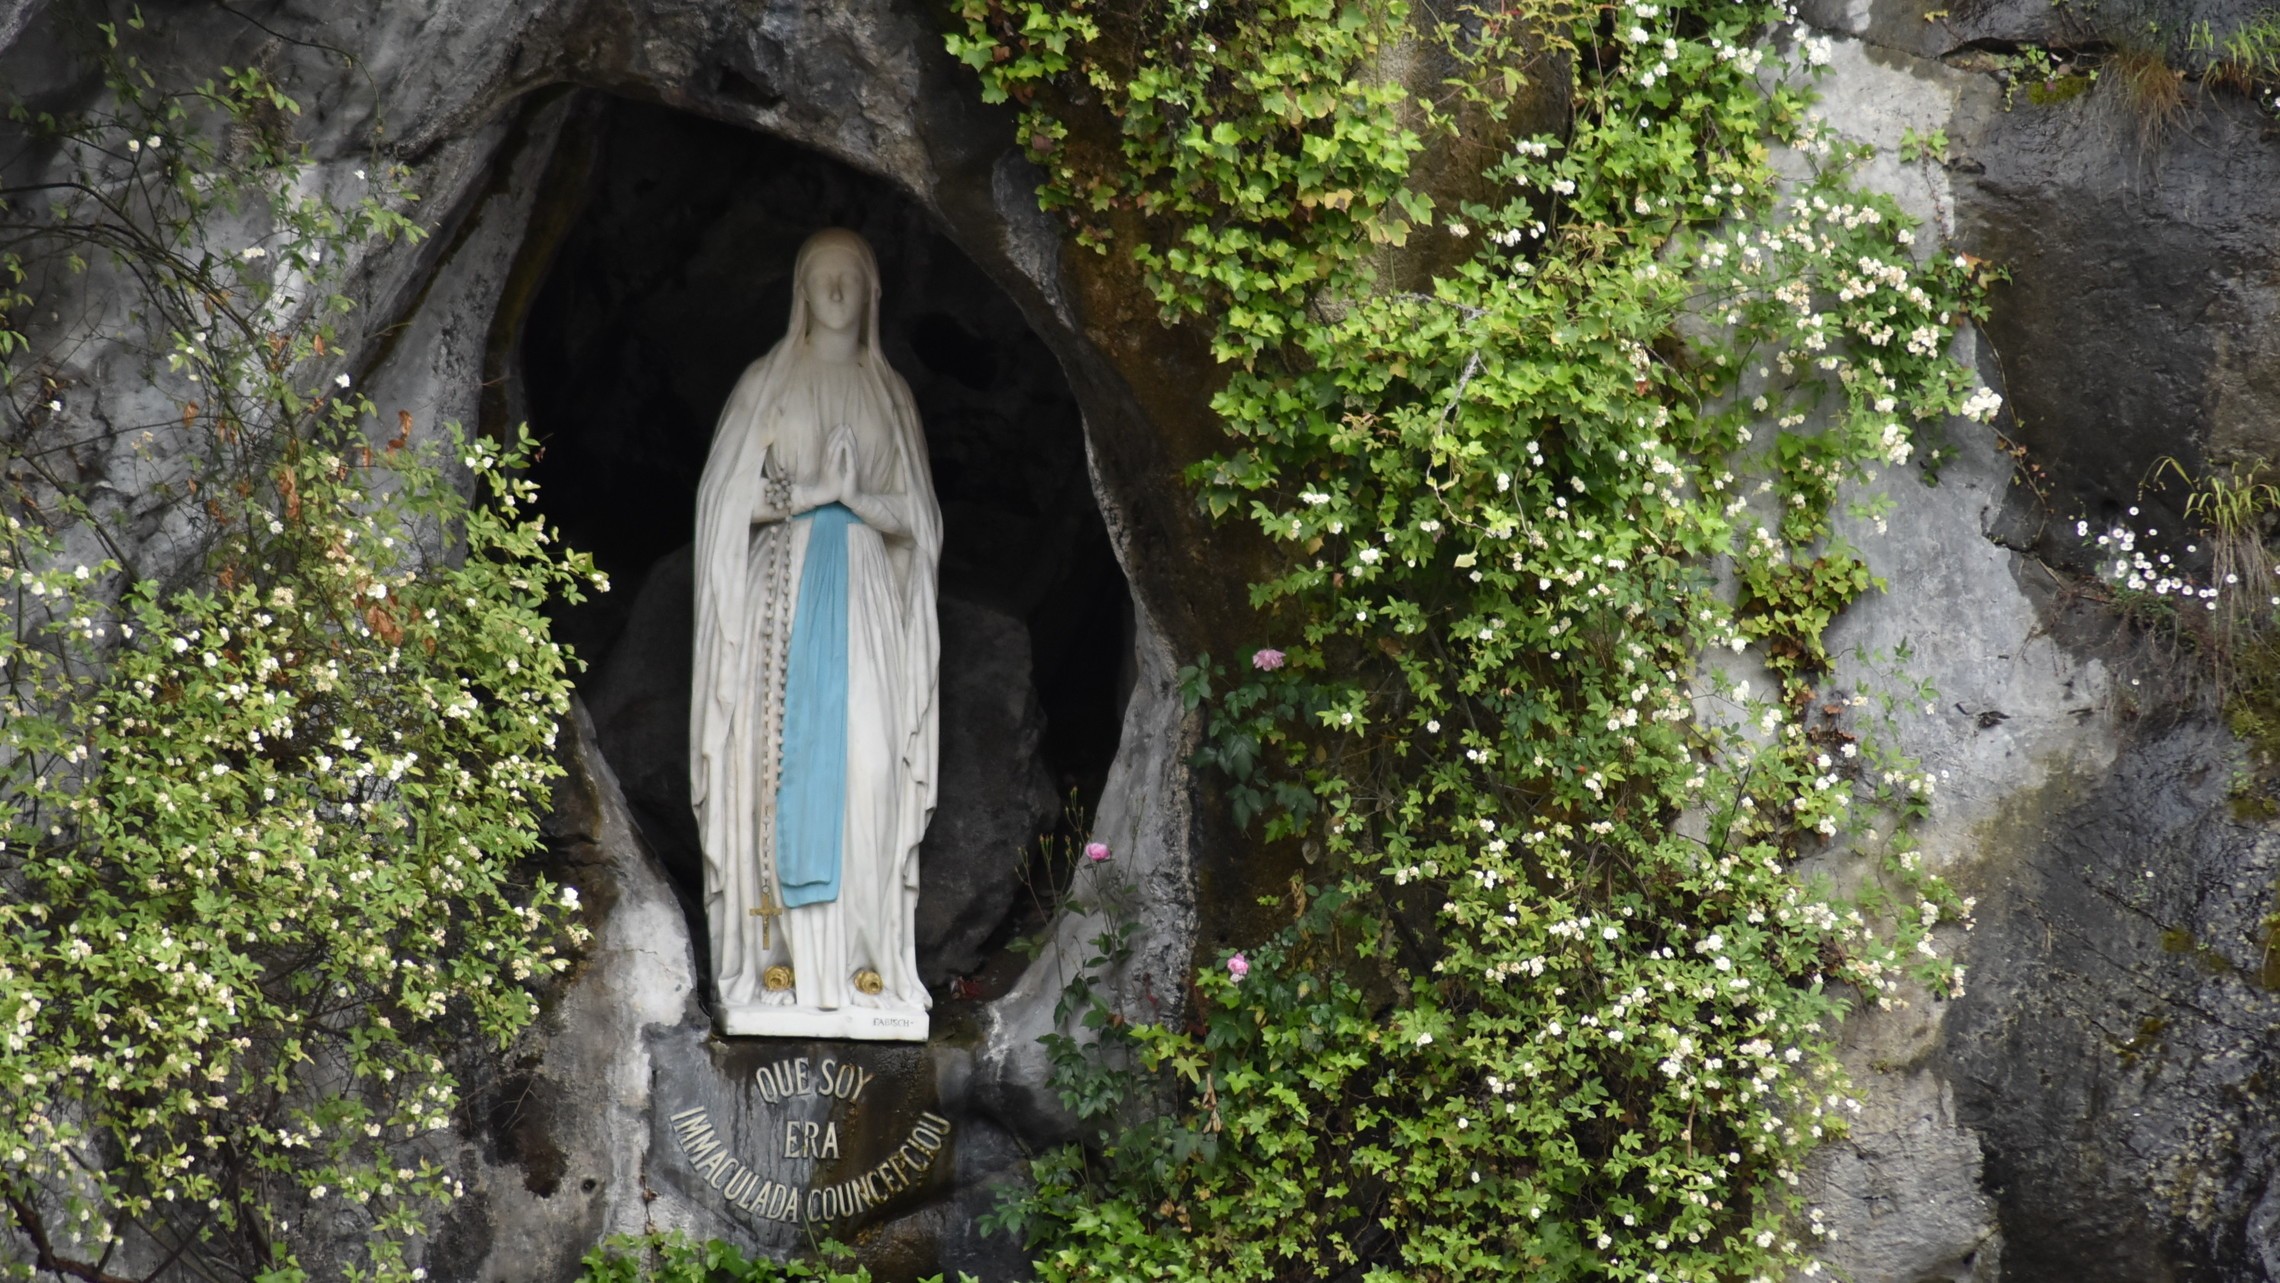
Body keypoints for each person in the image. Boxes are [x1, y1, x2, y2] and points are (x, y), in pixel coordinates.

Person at [689, 229, 939, 1035]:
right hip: (781, 599)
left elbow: (921, 523)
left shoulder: (888, 393)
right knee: (773, 770)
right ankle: (779, 965)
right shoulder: (768, 386)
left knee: (870, 769)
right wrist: (811, 493)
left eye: (850, 280)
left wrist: (856, 498)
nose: (836, 291)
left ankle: (868, 967)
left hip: (864, 598)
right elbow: (724, 504)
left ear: (872, 295)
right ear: (800, 291)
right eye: (822, 278)